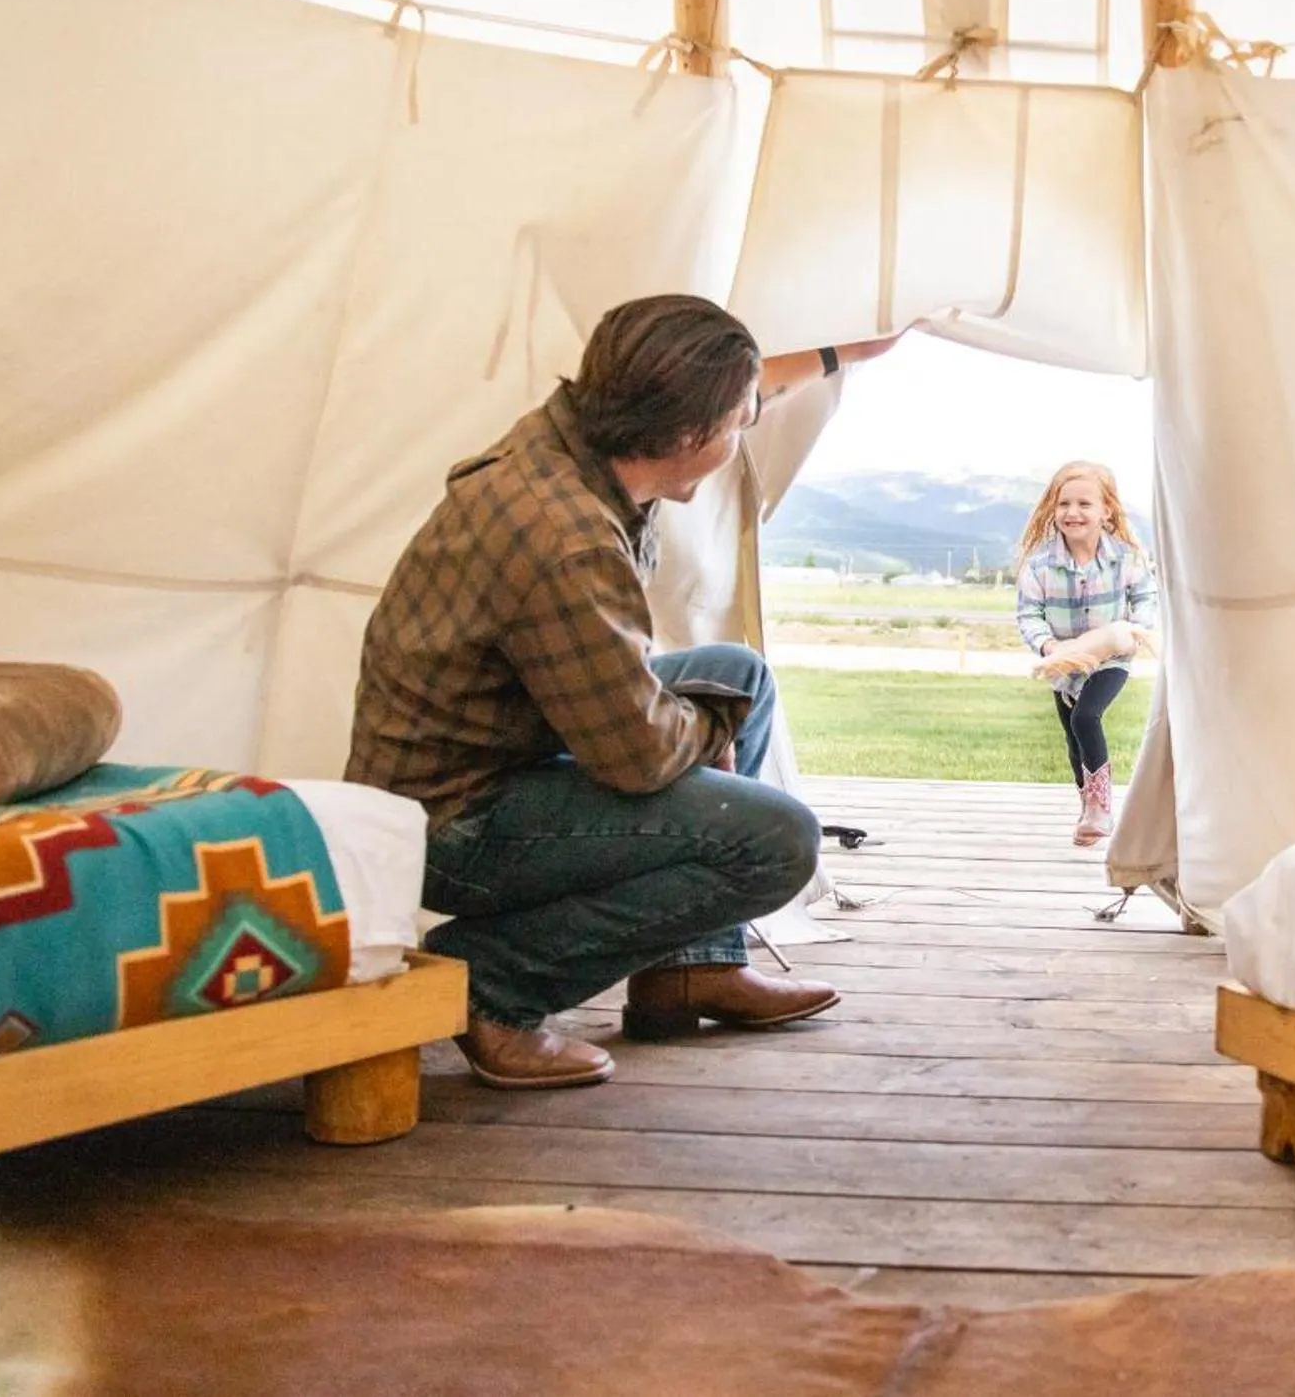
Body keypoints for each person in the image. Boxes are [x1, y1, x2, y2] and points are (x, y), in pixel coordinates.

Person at [347, 294, 897, 1090]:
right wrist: (709, 728)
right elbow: (636, 758)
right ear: (683, 435)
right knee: (776, 841)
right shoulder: (563, 537)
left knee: (739, 674)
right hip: (452, 824)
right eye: (736, 424)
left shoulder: (576, 435)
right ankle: (490, 987)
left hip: (497, 744)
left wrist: (844, 351)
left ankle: (691, 970)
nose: (742, 433)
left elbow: (738, 388)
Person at [1013, 462, 1159, 847]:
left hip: (1110, 658)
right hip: (1064, 663)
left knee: (1086, 716)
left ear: (1106, 510)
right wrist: (1048, 646)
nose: (1072, 512)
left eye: (1084, 504)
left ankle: (1100, 810)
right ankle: (1087, 806)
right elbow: (1029, 613)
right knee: (1073, 737)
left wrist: (1134, 630)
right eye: (1064, 504)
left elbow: (1146, 597)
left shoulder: (1125, 557)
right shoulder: (1041, 564)